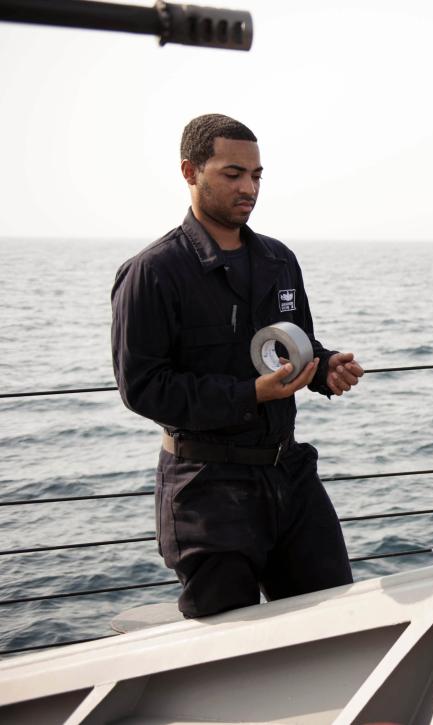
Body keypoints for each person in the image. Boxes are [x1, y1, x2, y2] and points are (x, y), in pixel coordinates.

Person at [111, 114, 365, 618]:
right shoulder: (153, 272)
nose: (249, 188)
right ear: (190, 171)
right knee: (226, 643)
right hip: (207, 488)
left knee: (334, 616)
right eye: (233, 174)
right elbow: (143, 388)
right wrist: (250, 394)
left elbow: (294, 345)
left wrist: (325, 366)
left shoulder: (279, 259)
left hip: (291, 477)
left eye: (257, 176)